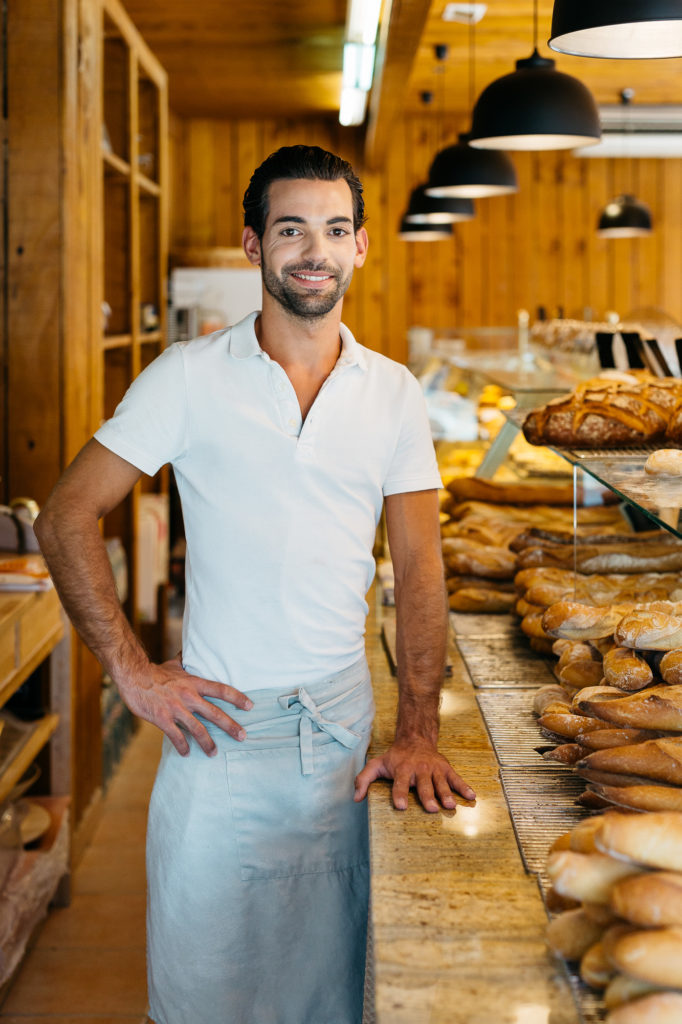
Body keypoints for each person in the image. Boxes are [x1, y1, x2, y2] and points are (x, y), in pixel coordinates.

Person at [35, 145, 475, 1024]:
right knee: (206, 996)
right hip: (218, 742)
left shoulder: (391, 394)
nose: (315, 249)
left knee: (336, 999)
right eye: (291, 229)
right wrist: (132, 670)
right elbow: (65, 514)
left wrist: (418, 724)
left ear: (358, 250)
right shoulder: (188, 378)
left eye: (335, 229)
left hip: (345, 739)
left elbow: (420, 566)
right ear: (253, 245)